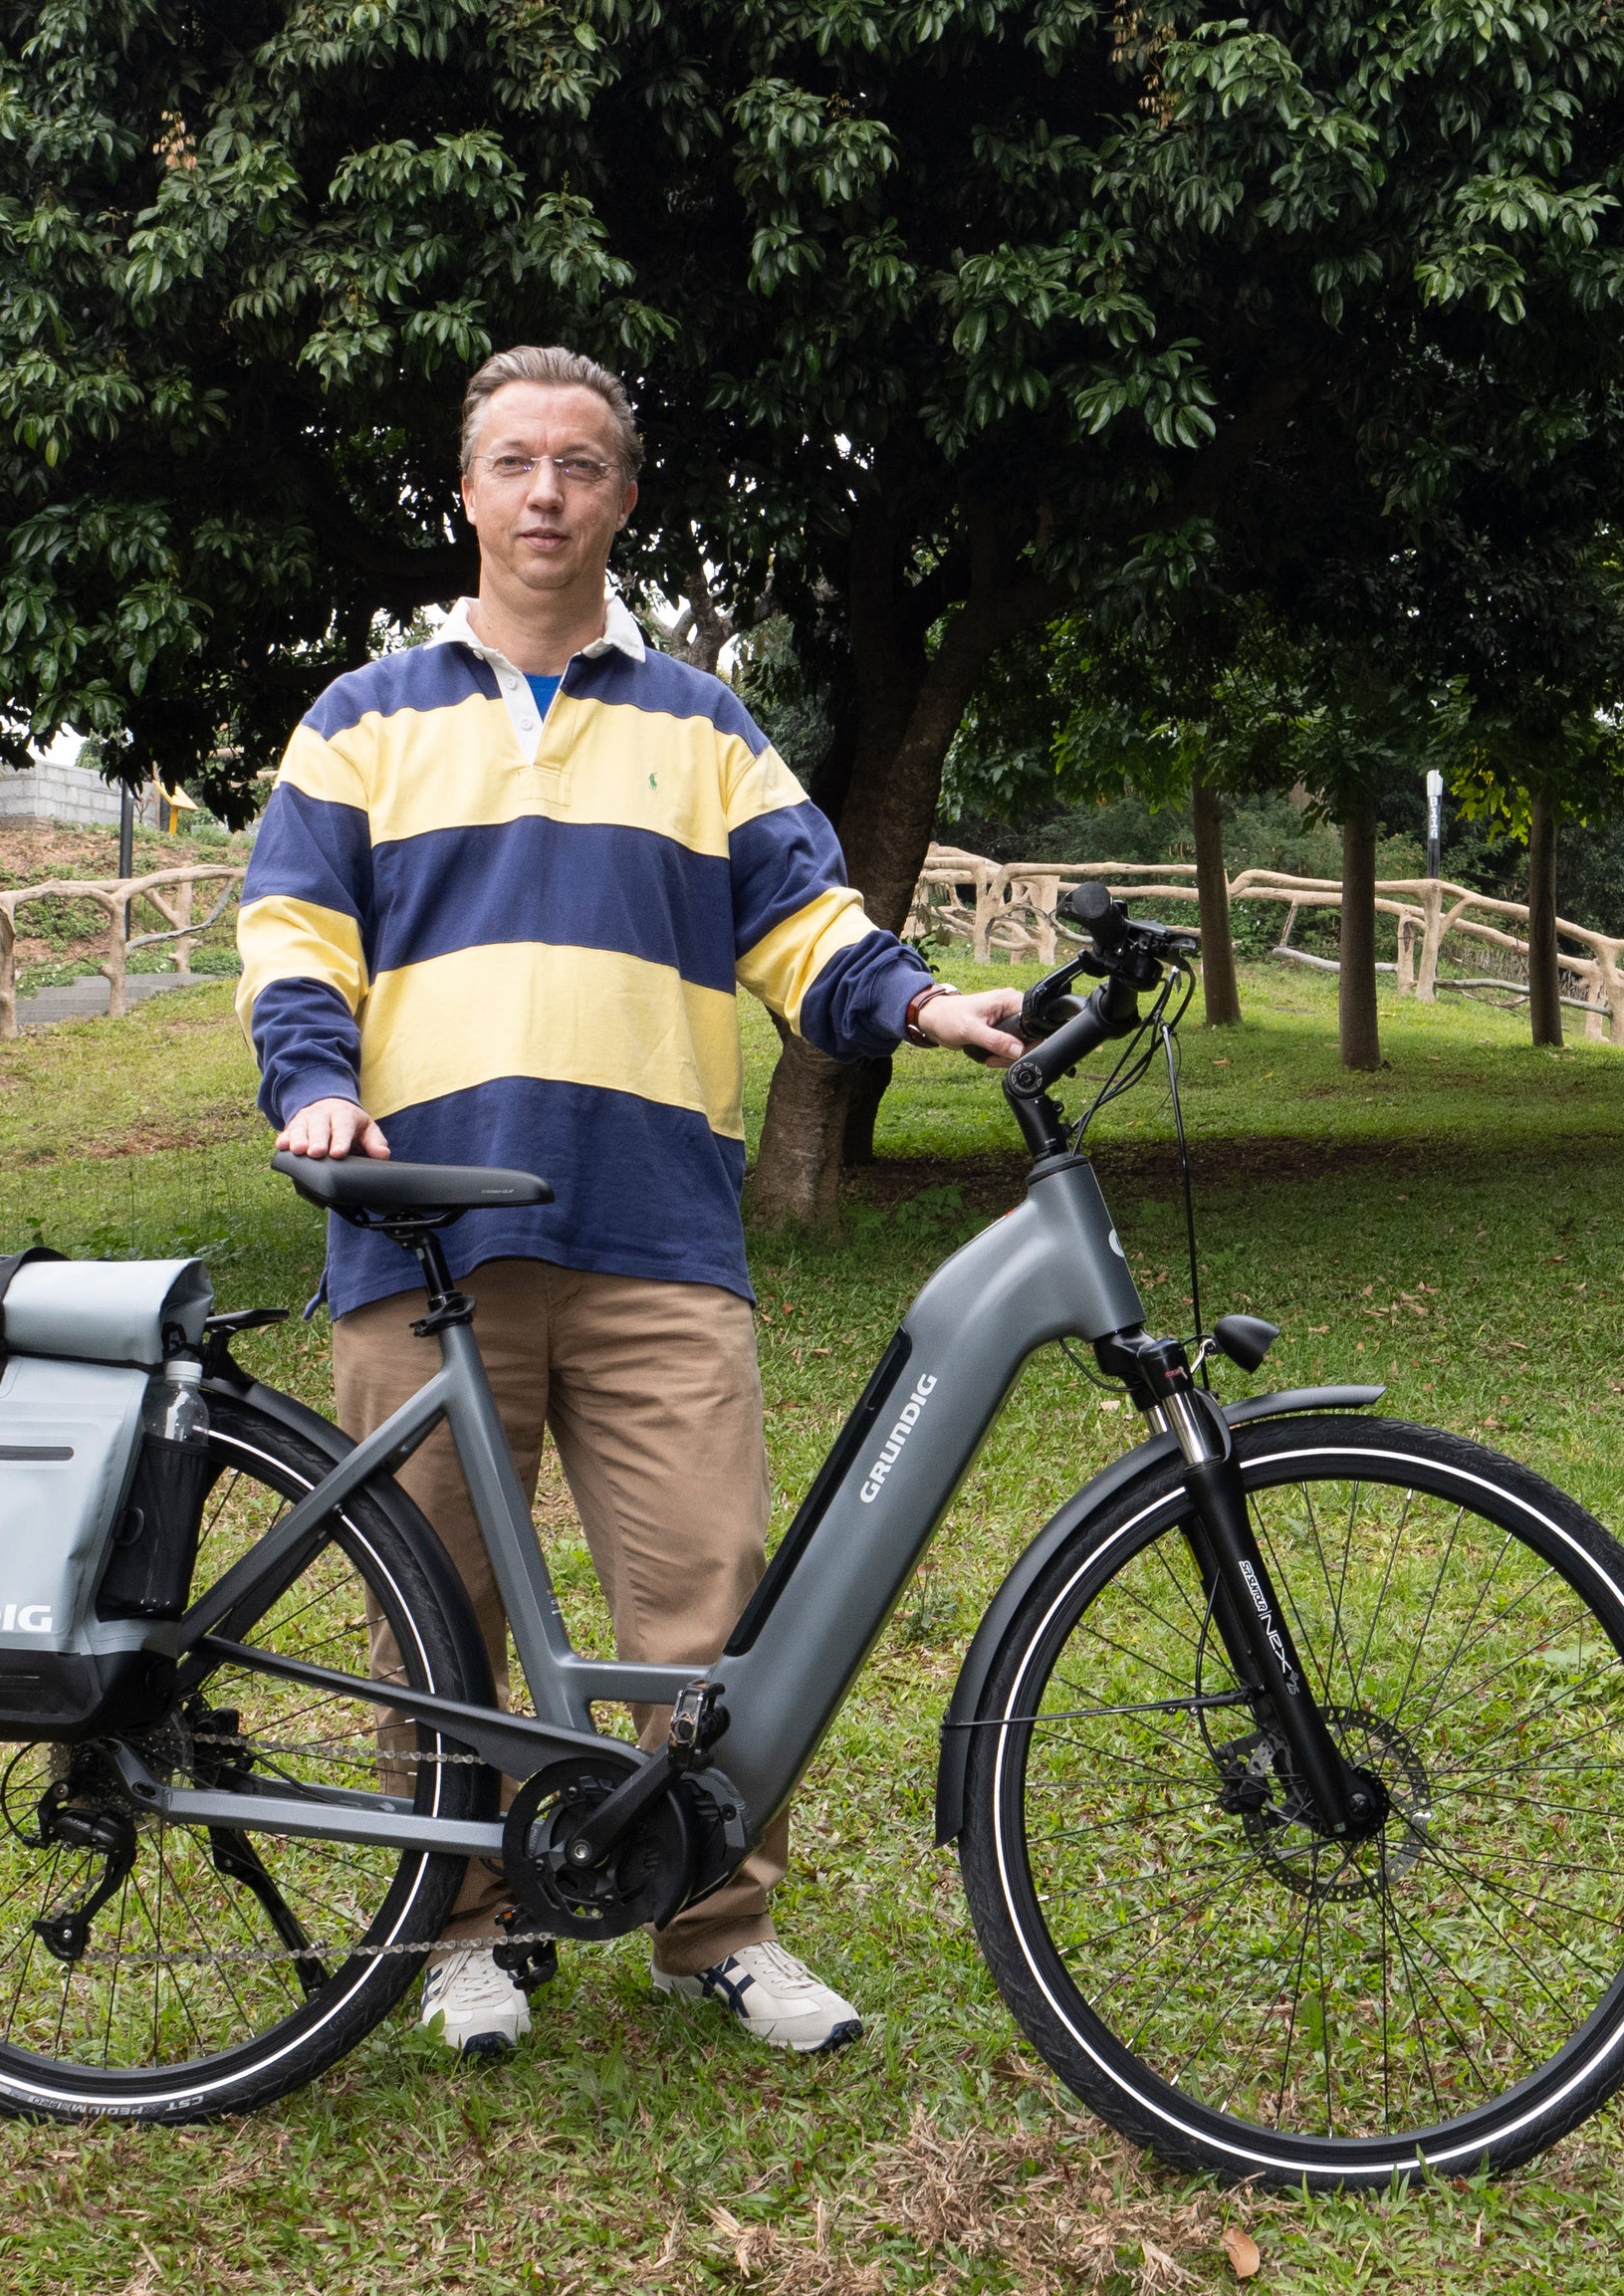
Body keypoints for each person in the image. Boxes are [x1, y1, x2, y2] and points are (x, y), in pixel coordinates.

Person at [238, 346, 1026, 2057]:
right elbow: (294, 931)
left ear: (624, 495)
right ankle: (460, 1927)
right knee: (429, 1601)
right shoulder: (361, 718)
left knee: (708, 1602)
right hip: (420, 1225)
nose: (545, 493)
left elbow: (803, 919)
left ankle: (711, 1916)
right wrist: (311, 1082)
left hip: (659, 1224)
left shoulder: (702, 723)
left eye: (580, 464)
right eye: (513, 461)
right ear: (465, 492)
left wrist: (919, 1003)